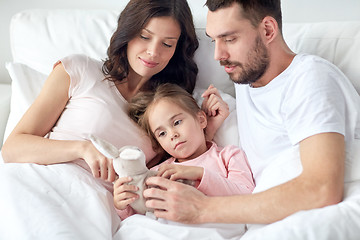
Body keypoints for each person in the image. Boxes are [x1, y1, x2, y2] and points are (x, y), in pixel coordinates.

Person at [141, 0, 360, 226]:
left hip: (314, 219)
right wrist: (204, 134)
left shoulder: (309, 78)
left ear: (268, 30)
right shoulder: (246, 78)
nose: (218, 54)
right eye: (213, 40)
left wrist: (201, 209)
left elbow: (321, 190)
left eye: (229, 39)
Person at [0, 0, 199, 228]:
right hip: (36, 181)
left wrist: (208, 127)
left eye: (167, 43)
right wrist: (81, 148)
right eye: (145, 37)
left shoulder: (167, 113)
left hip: (89, 206)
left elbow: (180, 168)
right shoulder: (79, 69)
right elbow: (12, 148)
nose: (153, 51)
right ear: (128, 31)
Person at [113, 83, 255, 219]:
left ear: (201, 119)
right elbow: (141, 215)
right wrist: (123, 205)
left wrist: (199, 174)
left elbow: (246, 195)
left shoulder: (229, 156)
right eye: (162, 134)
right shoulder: (158, 172)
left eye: (177, 122)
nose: (172, 134)